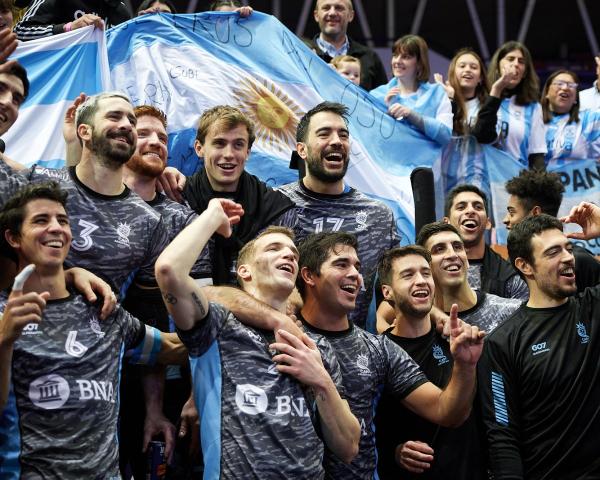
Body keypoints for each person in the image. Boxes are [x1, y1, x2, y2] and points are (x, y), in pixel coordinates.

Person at [155, 199, 361, 479]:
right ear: (244, 271)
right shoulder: (217, 326)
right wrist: (212, 216)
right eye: (274, 249)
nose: (289, 255)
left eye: (293, 253)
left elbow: (348, 447)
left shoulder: (315, 345)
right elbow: (169, 271)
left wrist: (321, 380)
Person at [0, 182, 185, 478]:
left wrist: (233, 317)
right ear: (13, 237)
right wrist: (4, 340)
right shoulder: (3, 316)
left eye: (62, 220)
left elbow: (174, 349)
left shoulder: (103, 310)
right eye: (40, 220)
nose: (56, 228)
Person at [296, 231, 484, 479]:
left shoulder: (380, 349)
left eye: (357, 266)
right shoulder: (283, 333)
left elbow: (446, 411)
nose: (355, 274)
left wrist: (465, 364)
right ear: (308, 275)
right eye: (342, 264)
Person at [0, 91, 170, 297]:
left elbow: (149, 308)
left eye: (132, 121)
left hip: (99, 326)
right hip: (15, 320)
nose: (126, 125)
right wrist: (67, 276)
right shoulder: (35, 184)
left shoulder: (150, 221)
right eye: (114, 117)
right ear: (84, 131)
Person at [478, 207, 600, 478]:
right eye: (553, 252)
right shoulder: (502, 343)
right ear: (524, 266)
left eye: (568, 248)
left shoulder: (593, 308)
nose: (568, 257)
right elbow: (502, 436)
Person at [278, 101, 400, 331]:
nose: (336, 141)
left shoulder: (378, 216)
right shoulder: (275, 204)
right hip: (288, 345)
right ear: (301, 150)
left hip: (354, 353)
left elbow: (397, 285)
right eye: (324, 134)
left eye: (343, 135)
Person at [375, 246, 486, 479]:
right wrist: (392, 451)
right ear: (388, 292)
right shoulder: (377, 352)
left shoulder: (459, 339)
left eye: (426, 273)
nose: (421, 281)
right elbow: (370, 426)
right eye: (408, 275)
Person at [173, 105, 297, 287]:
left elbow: (289, 281)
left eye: (238, 145)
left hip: (259, 312)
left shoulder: (277, 208)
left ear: (247, 152)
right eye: (219, 143)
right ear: (199, 148)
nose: (229, 154)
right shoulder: (178, 199)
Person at [503, 168, 600, 291]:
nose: (505, 220)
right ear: (523, 265)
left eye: (512, 213)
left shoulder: (582, 262)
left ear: (535, 214)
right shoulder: (510, 264)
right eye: (552, 253)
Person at [416, 222, 521, 332]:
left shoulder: (511, 312)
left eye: (457, 247)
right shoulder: (416, 323)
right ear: (424, 266)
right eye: (439, 249)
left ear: (467, 260)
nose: (452, 255)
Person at [443, 184, 528, 300]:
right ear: (446, 223)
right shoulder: (429, 272)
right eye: (461, 207)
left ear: (488, 223)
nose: (470, 211)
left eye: (478, 207)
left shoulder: (510, 277)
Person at [370, 34, 453, 146]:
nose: (397, 61)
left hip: (426, 163)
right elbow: (370, 136)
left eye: (406, 57)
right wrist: (385, 113)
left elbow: (445, 136)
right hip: (385, 162)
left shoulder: (436, 94)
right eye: (395, 55)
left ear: (419, 63)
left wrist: (412, 115)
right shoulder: (377, 95)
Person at [487, 41, 546, 169]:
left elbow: (537, 155)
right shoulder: (483, 99)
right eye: (510, 59)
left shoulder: (533, 107)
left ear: (525, 73)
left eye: (521, 61)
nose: (516, 64)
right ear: (497, 66)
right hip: (482, 181)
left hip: (515, 181)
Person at [439, 47, 515, 143]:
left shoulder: (491, 107)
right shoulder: (442, 100)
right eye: (462, 66)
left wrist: (496, 90)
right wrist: (450, 99)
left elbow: (484, 137)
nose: (468, 70)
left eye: (473, 67)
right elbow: (440, 133)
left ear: (480, 78)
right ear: (453, 73)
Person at [307, 0, 387, 90]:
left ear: (350, 15)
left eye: (339, 8)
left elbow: (381, 99)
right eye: (326, 8)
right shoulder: (303, 54)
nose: (332, 13)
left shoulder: (369, 57)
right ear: (316, 15)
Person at [541, 69, 600, 163]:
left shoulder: (590, 120)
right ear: (547, 92)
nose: (565, 88)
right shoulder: (531, 118)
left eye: (571, 85)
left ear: (576, 98)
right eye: (559, 83)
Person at [14, 0, 131, 41]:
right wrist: (68, 28)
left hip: (104, 84)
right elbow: (20, 33)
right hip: (60, 78)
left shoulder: (120, 10)